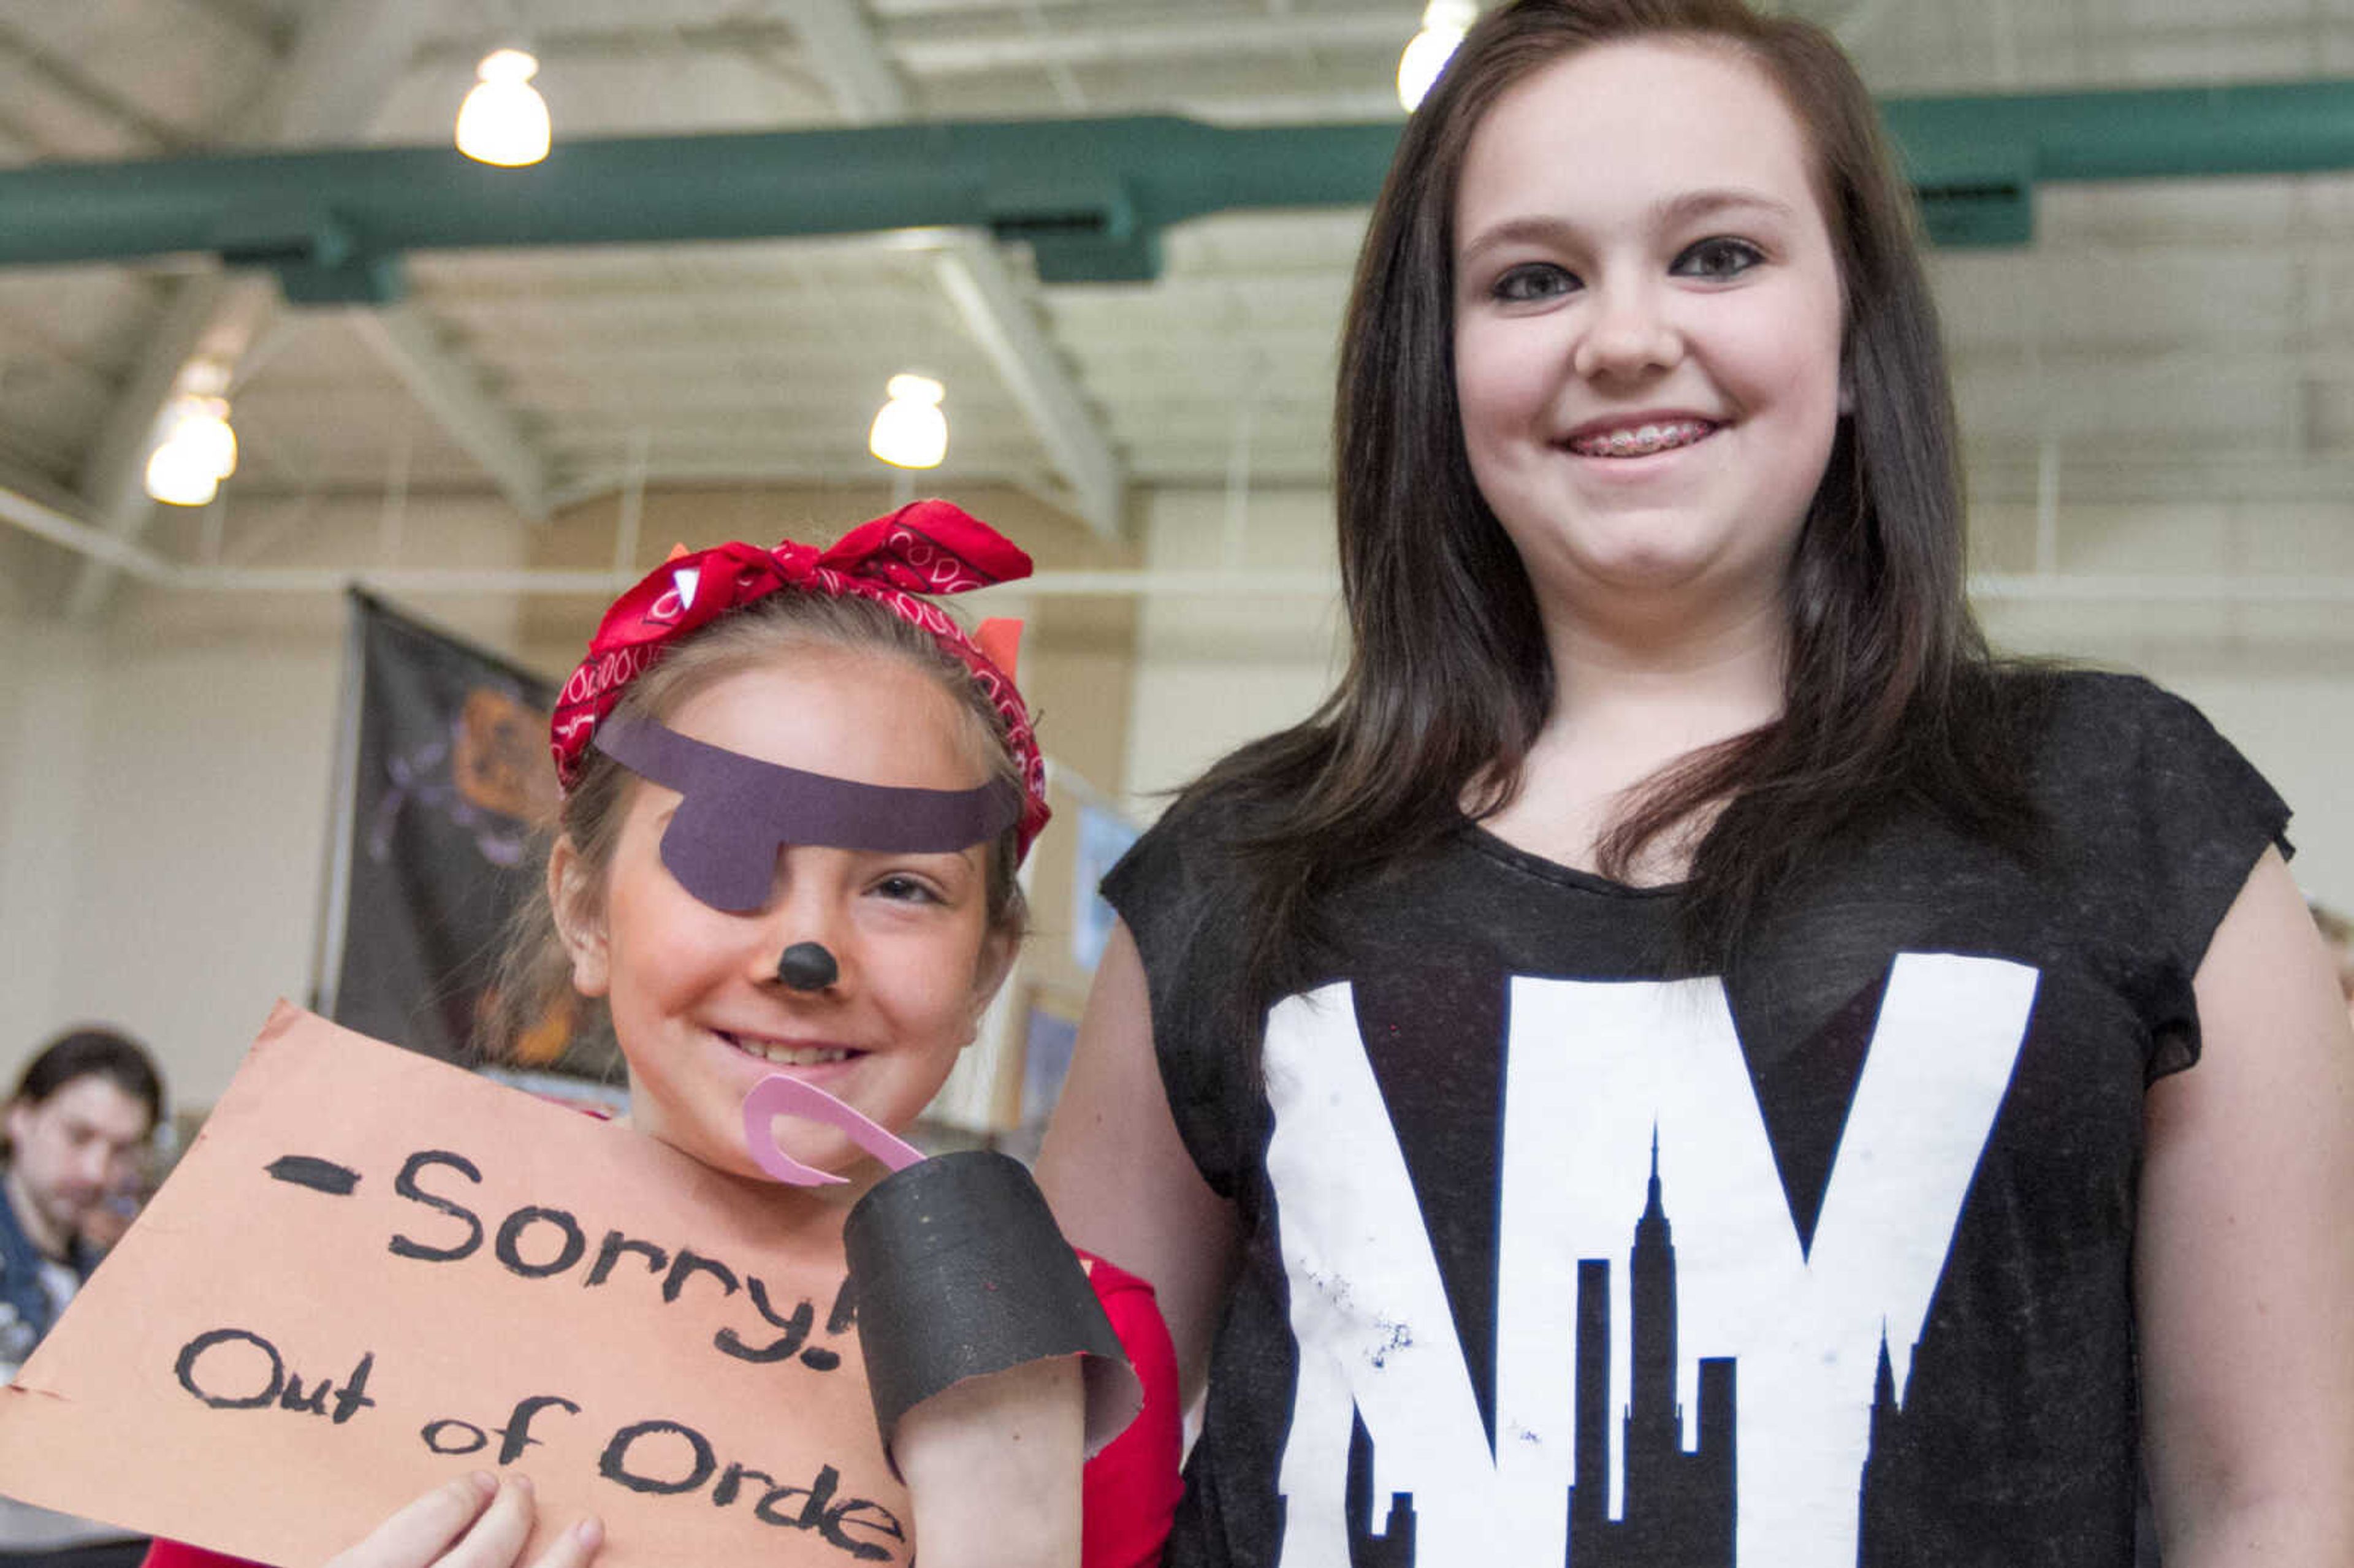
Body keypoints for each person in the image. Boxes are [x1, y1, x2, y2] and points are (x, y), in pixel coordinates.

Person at [1035, 2, 2354, 1564]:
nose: (1623, 337)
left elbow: (2269, 1502)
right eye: (1531, 279)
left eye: (1716, 255)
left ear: (1855, 337)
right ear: (1436, 369)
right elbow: (1037, 1468)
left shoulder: (2125, 813)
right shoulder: (1239, 870)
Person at [145, 501, 1180, 1568]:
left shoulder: (1068, 1344)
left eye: (903, 886)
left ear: (986, 970)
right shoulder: (357, 1251)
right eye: (725, 855)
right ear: (587, 913)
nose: (806, 953)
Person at [2, 1028, 166, 1568]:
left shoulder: (110, 1275)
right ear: (19, 1118)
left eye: (122, 1150)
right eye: (78, 1136)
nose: (97, 1173)